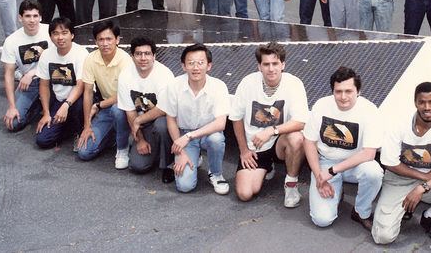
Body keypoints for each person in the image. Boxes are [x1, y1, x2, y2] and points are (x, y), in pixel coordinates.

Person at [371, 82, 431, 244]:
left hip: (428, 182)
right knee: (383, 237)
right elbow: (389, 162)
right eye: (422, 102)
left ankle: (430, 216)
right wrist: (423, 176)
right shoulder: (398, 124)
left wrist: (422, 187)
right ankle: (403, 208)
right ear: (415, 102)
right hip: (397, 180)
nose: (427, 107)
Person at [303, 67, 383, 230]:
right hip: (326, 162)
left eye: (349, 91)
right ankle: (337, 194)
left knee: (373, 172)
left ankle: (361, 212)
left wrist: (332, 171)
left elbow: (369, 153)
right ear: (332, 91)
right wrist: (319, 176)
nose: (343, 97)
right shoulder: (321, 105)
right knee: (322, 220)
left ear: (358, 91)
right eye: (338, 91)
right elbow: (309, 141)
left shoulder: (370, 111)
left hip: (356, 163)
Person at [230, 42, 308, 207]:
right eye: (266, 64)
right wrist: (244, 150)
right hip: (256, 146)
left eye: (275, 63)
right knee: (245, 193)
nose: (271, 69)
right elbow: (235, 118)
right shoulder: (247, 83)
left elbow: (301, 121)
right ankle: (267, 167)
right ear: (259, 66)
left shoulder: (294, 84)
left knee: (297, 138)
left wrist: (271, 130)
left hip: (280, 140)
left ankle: (291, 184)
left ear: (283, 65)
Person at [158, 44, 231, 194]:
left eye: (200, 62)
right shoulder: (174, 85)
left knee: (216, 139)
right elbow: (170, 119)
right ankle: (194, 156)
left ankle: (216, 173)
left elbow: (220, 123)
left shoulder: (219, 86)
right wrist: (180, 152)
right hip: (184, 133)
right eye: (190, 63)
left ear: (209, 66)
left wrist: (189, 137)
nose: (196, 67)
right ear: (183, 66)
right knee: (184, 186)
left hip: (206, 133)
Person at [117, 36, 176, 183]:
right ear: (132, 56)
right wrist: (141, 140)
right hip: (143, 124)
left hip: (163, 121)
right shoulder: (125, 75)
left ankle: (168, 164)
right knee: (138, 166)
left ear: (154, 56)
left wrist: (139, 120)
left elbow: (163, 108)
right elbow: (129, 111)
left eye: (147, 53)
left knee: (162, 124)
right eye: (138, 54)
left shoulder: (165, 74)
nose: (143, 58)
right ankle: (152, 148)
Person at [76, 20, 131, 169]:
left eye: (109, 39)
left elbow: (124, 95)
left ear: (117, 40)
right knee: (84, 152)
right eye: (101, 39)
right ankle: (113, 134)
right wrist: (87, 125)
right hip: (107, 108)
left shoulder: (125, 61)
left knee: (117, 110)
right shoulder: (91, 59)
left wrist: (99, 105)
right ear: (95, 41)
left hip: (127, 108)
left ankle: (122, 147)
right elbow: (87, 92)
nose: (105, 43)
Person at [35, 17, 88, 149]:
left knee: (78, 106)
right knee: (43, 140)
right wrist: (46, 113)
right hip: (59, 100)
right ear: (51, 37)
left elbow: (80, 85)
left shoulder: (81, 53)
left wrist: (66, 106)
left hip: (77, 100)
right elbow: (44, 85)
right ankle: (68, 126)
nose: (60, 37)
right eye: (55, 33)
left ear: (72, 35)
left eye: (64, 33)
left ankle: (79, 129)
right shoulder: (46, 54)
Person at [1, 0, 51, 132]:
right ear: (20, 18)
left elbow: (58, 60)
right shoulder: (11, 41)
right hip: (30, 84)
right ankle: (38, 105)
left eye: (35, 16)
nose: (32, 20)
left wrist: (31, 72)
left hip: (51, 79)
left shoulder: (50, 32)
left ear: (40, 17)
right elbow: (8, 75)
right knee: (13, 123)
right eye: (27, 16)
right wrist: (12, 106)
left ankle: (45, 103)